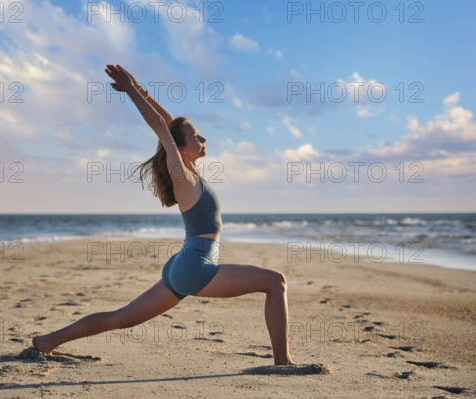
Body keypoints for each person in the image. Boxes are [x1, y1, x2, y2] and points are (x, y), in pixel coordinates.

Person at [32, 64, 294, 365]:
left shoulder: (191, 172)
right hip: (193, 267)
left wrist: (139, 87)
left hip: (183, 265)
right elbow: (161, 126)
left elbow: (167, 124)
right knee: (276, 282)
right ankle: (283, 362)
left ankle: (46, 341)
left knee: (122, 318)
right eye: (196, 136)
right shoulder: (180, 174)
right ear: (181, 148)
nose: (203, 139)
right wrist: (130, 91)